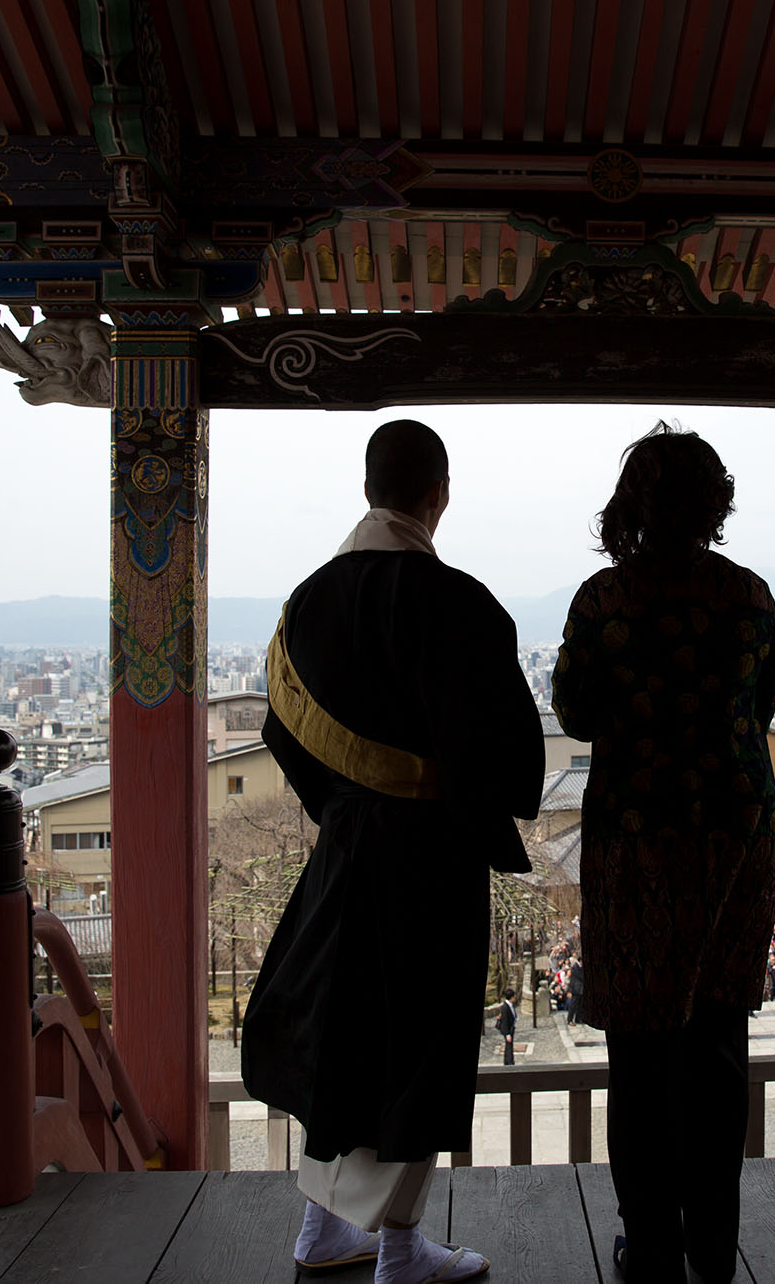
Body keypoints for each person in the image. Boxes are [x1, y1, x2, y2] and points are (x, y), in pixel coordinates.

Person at [242, 419, 544, 1284]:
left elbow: (282, 728)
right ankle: (401, 1250)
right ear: (438, 494)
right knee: (418, 1047)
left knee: (341, 1041)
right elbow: (511, 759)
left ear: (368, 487)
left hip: (343, 856)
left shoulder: (304, 607)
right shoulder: (463, 605)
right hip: (433, 865)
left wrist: (344, 808)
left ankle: (320, 1230)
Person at [553, 424, 775, 1284]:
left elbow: (573, 712)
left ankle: (649, 1243)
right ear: (713, 500)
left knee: (642, 1050)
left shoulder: (605, 600)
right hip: (734, 834)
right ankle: (714, 1247)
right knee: (719, 1038)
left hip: (639, 835)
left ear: (634, 505)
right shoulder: (750, 594)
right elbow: (757, 709)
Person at [495, 988, 518, 1067]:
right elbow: (504, 1022)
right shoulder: (505, 1007)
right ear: (511, 997)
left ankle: (506, 1061)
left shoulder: (510, 1005)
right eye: (514, 996)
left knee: (508, 1046)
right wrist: (507, 1034)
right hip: (508, 1030)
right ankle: (510, 1063)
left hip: (511, 1028)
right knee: (509, 1047)